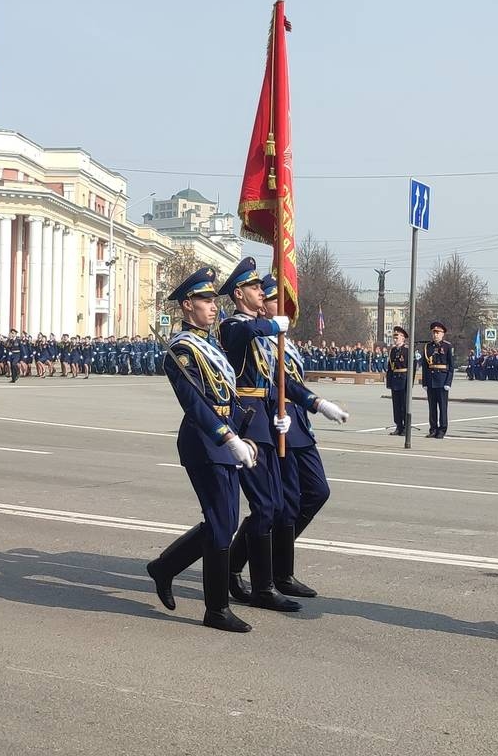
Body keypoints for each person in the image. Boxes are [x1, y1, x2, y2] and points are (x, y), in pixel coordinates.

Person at [145, 266, 258, 633]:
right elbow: (195, 405)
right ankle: (216, 609)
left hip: (226, 441)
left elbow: (228, 395)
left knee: (220, 522)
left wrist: (245, 434)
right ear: (187, 304)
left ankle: (164, 567)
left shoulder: (210, 345)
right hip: (203, 441)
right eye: (206, 300)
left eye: (214, 299)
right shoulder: (181, 350)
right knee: (222, 523)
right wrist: (228, 438)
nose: (214, 306)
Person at [229, 274, 347, 600]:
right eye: (271, 298)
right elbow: (268, 381)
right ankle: (254, 572)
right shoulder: (246, 331)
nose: (282, 307)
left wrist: (318, 403)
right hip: (260, 424)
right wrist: (277, 408)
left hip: (287, 422)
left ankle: (277, 569)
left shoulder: (277, 338)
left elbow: (285, 381)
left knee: (291, 503)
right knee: (273, 507)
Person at [216, 257, 301, 612]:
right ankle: (261, 586)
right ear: (239, 294)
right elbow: (247, 333)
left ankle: (234, 571)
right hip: (247, 424)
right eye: (254, 288)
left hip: (265, 420)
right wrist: (271, 325)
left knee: (276, 505)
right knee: (265, 506)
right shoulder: (232, 327)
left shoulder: (258, 326)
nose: (261, 294)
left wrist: (283, 413)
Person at [421, 321, 454, 438]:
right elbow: (425, 366)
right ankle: (433, 429)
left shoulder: (447, 346)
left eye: (438, 332)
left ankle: (442, 429)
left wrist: (448, 382)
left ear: (443, 334)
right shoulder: (427, 347)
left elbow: (451, 366)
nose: (435, 335)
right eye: (434, 332)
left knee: (442, 407)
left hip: (442, 380)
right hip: (431, 380)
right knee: (432, 407)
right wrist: (424, 382)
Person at [385, 325, 411, 437]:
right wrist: (389, 382)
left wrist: (410, 383)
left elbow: (412, 368)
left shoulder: (407, 351)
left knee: (404, 405)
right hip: (395, 380)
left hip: (404, 379)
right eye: (394, 337)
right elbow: (390, 367)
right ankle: (398, 426)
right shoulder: (393, 351)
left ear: (403, 338)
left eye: (397, 337)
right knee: (396, 405)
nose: (395, 339)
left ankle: (405, 427)